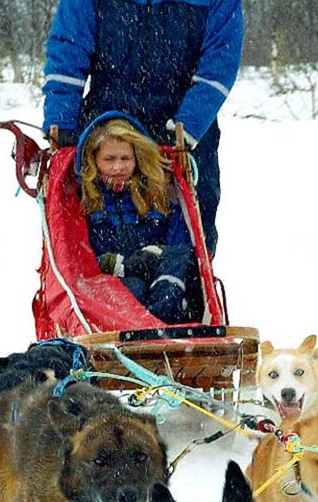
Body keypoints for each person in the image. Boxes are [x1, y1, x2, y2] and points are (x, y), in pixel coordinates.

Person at [43, 0, 242, 255]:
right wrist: (62, 121)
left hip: (183, 118)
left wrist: (187, 127)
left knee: (193, 218)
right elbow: (68, 51)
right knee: (87, 215)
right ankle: (97, 275)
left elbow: (220, 62)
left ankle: (179, 273)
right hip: (108, 120)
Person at [80, 117, 194, 324]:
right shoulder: (85, 200)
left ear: (137, 159)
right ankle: (154, 325)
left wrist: (155, 253)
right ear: (94, 159)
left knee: (179, 259)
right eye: (109, 159)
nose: (118, 167)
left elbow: (180, 245)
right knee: (134, 288)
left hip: (159, 276)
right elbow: (76, 258)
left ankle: (163, 319)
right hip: (112, 285)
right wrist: (116, 264)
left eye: (125, 159)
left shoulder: (156, 193)